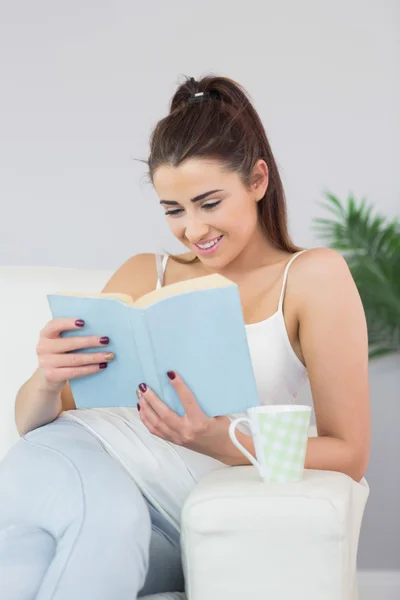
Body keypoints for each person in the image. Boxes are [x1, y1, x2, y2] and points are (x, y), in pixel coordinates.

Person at [0, 75, 370, 600]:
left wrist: (219, 442)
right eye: (174, 210)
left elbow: (349, 453)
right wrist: (46, 377)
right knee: (109, 524)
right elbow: (31, 420)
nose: (193, 230)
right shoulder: (142, 274)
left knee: (26, 563)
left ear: (258, 180)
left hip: (179, 515)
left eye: (209, 202)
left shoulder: (312, 278)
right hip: (79, 458)